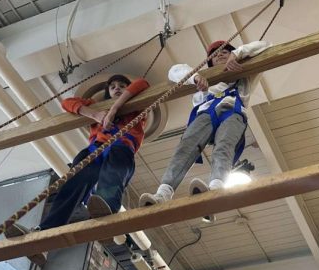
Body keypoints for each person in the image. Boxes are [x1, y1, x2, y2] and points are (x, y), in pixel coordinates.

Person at [139, 39, 268, 207]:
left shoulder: (245, 76)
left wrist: (238, 54)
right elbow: (174, 71)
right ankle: (162, 194)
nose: (220, 54)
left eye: (225, 51)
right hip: (206, 114)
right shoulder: (203, 82)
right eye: (215, 54)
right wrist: (196, 77)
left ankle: (216, 187)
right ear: (210, 62)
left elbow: (265, 46)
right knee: (186, 146)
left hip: (232, 112)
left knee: (224, 146)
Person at [39, 74, 149, 229]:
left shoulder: (137, 107)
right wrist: (95, 114)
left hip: (122, 147)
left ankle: (107, 211)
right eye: (112, 87)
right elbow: (67, 103)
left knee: (112, 176)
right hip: (95, 149)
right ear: (107, 92)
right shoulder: (96, 106)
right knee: (73, 184)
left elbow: (141, 83)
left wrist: (114, 109)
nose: (117, 88)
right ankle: (48, 227)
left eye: (122, 86)